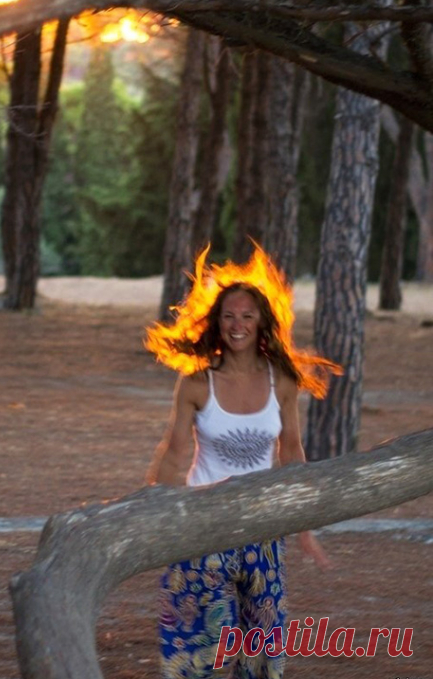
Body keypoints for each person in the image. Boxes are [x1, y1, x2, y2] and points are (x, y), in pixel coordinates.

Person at [145, 248, 340, 679]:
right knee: (197, 653)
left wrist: (304, 527)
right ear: (218, 322)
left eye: (247, 316)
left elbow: (292, 453)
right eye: (229, 316)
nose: (238, 325)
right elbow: (174, 454)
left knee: (263, 655)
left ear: (261, 322)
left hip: (262, 529)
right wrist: (155, 515)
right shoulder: (197, 381)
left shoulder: (281, 380)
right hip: (204, 527)